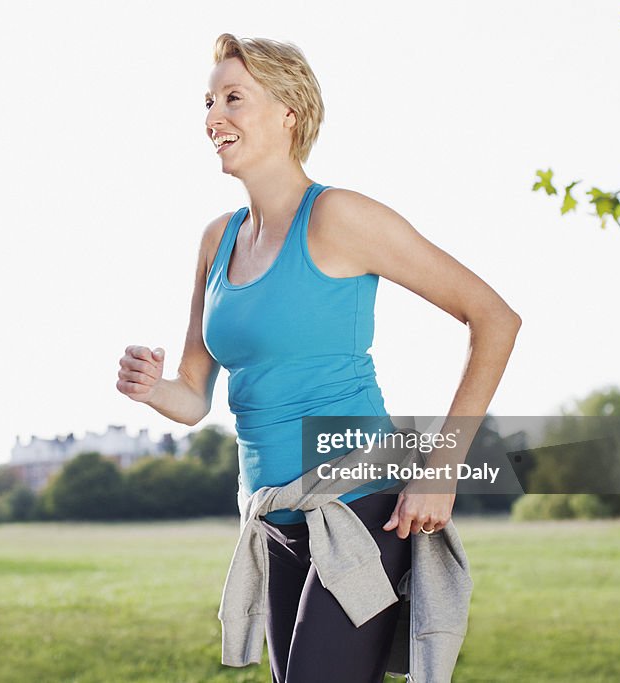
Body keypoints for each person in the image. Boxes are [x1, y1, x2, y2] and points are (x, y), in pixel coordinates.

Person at [117, 33, 520, 682]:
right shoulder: (217, 240)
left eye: (233, 98)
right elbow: (195, 394)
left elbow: (494, 318)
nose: (212, 117)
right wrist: (153, 386)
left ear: (289, 113)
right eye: (209, 100)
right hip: (272, 516)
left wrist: (441, 468)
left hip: (358, 503)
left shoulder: (338, 217)